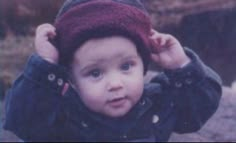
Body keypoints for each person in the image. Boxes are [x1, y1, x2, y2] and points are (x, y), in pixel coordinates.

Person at [3, 0, 222, 142]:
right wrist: (46, 65)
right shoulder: (63, 113)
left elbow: (201, 108)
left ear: (143, 64)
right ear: (72, 78)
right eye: (95, 73)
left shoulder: (157, 103)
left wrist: (181, 66)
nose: (116, 84)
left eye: (126, 66)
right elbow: (22, 121)